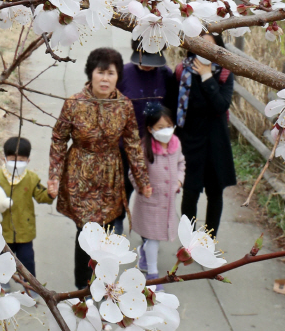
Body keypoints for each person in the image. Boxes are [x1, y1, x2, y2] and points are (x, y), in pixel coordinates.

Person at [47, 47, 152, 290]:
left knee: (106, 231)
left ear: (118, 77)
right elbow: (58, 139)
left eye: (111, 74)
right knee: (85, 232)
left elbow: (134, 145)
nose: (105, 79)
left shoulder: (125, 106)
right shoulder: (74, 103)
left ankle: (102, 285)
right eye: (100, 72)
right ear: (91, 73)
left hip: (110, 176)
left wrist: (142, 180)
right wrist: (54, 174)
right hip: (79, 174)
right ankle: (82, 288)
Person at [171, 33, 236, 236]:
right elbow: (174, 106)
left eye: (211, 46)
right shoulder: (182, 70)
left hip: (216, 141)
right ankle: (188, 240)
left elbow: (221, 105)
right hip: (190, 138)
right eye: (201, 45)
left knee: (214, 193)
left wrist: (207, 76)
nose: (205, 50)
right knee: (190, 193)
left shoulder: (225, 73)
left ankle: (208, 240)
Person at [115, 39, 177, 225]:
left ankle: (149, 236)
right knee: (122, 190)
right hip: (125, 145)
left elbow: (171, 108)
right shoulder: (123, 73)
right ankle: (116, 228)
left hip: (153, 145)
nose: (149, 66)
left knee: (151, 192)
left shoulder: (166, 75)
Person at [0, 135, 54, 278]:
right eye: (13, 160)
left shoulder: (31, 178)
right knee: (1, 260)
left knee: (27, 260)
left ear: (28, 161)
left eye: (21, 160)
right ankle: (2, 283)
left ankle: (31, 287)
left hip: (25, 230)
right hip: (2, 230)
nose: (17, 163)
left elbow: (40, 196)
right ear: (5, 159)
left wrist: (50, 194)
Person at [129, 103, 185, 285]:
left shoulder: (176, 145)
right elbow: (134, 172)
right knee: (153, 238)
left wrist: (179, 180)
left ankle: (144, 255)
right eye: (160, 127)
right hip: (150, 203)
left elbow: (181, 164)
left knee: (156, 237)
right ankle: (152, 275)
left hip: (167, 203)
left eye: (168, 126)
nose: (165, 131)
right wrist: (142, 186)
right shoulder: (144, 148)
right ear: (150, 129)